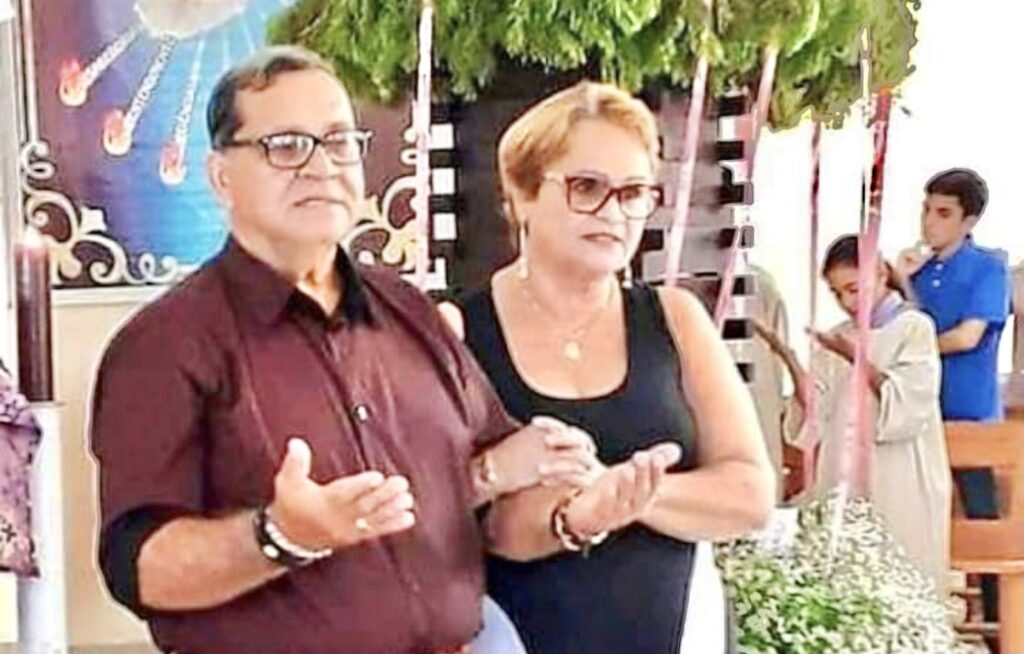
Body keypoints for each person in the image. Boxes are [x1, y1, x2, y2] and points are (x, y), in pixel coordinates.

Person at [89, 46, 601, 654]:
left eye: (338, 142)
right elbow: (139, 568)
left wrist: (578, 510)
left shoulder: (411, 313)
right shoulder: (164, 346)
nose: (321, 166)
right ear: (221, 177)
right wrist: (280, 536)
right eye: (286, 146)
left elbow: (488, 509)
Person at [439, 81, 775, 654]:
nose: (614, 212)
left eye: (633, 192)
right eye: (587, 188)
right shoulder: (456, 330)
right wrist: (542, 499)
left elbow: (750, 493)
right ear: (520, 194)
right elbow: (431, 506)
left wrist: (619, 495)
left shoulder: (676, 319)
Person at [757, 234, 951, 591]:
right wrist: (786, 356)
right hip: (842, 469)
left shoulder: (913, 327)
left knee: (900, 568)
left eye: (854, 289)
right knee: (846, 577)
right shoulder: (839, 336)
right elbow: (813, 409)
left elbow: (908, 403)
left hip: (900, 471)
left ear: (880, 274)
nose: (847, 302)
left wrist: (855, 357)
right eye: (837, 293)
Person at [892, 168, 1010, 616]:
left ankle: (999, 622)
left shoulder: (988, 268)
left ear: (969, 220)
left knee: (983, 522)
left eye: (943, 213)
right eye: (926, 210)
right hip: (920, 415)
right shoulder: (919, 272)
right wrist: (903, 282)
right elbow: (903, 330)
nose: (929, 222)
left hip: (969, 415)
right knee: (912, 519)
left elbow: (966, 336)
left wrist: (915, 351)